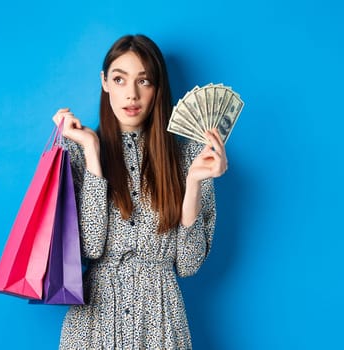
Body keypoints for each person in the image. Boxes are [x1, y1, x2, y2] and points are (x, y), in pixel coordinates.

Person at [52, 34, 227, 349]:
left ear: (157, 88)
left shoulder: (189, 158)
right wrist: (93, 153)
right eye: (120, 79)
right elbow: (90, 249)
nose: (131, 94)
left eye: (144, 81)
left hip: (160, 321)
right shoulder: (78, 151)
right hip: (94, 323)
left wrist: (194, 184)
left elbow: (187, 265)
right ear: (104, 82)